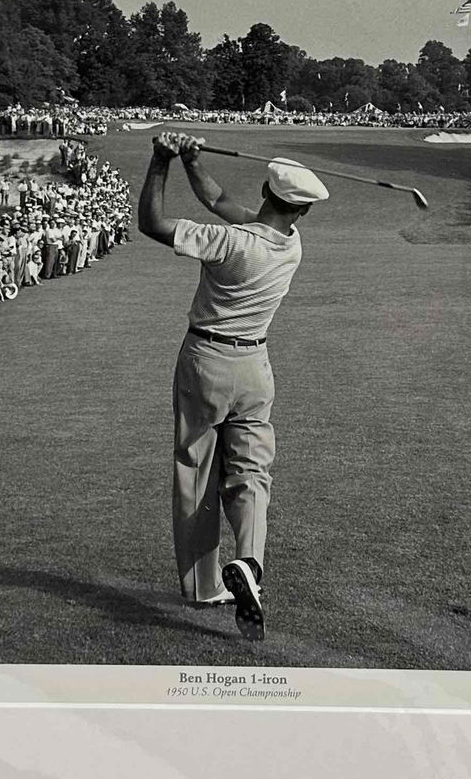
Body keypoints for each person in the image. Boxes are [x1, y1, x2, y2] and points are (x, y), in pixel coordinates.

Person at [137, 130, 328, 642]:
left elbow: (151, 223)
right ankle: (250, 565)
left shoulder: (229, 242)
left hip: (207, 361)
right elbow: (219, 199)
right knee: (250, 473)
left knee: (197, 471)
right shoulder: (291, 244)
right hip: (256, 367)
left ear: (267, 193)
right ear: (301, 210)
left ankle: (203, 585)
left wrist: (162, 162)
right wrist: (194, 162)